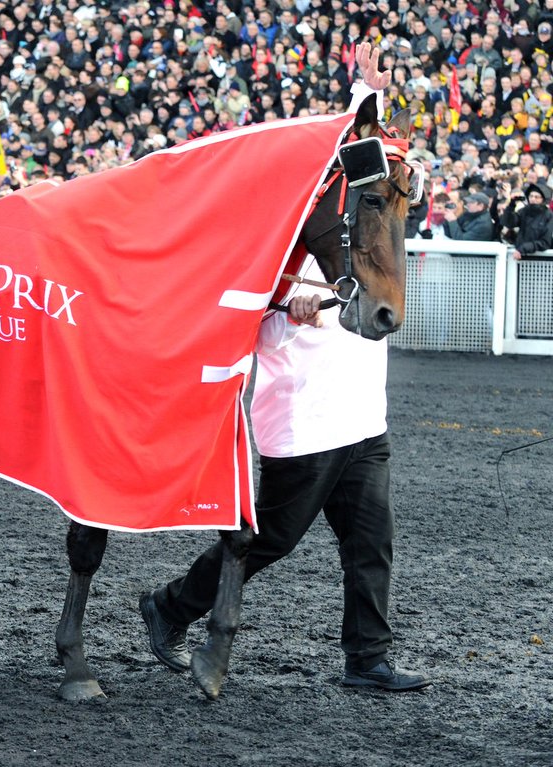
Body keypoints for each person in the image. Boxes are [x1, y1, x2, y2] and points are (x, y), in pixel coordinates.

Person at [144, 41, 431, 693]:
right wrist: (289, 311)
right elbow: (253, 324)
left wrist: (371, 95)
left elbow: (374, 154)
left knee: (371, 543)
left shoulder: (360, 230)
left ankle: (367, 658)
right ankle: (170, 606)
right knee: (270, 540)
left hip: (363, 418)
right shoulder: (282, 241)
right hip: (305, 423)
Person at [499, 182, 553, 259]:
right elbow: (509, 223)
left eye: (537, 197)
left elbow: (545, 242)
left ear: (543, 199)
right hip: (520, 255)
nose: (533, 199)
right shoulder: (524, 211)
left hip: (539, 258)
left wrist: (524, 248)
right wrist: (511, 205)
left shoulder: (548, 215)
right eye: (531, 196)